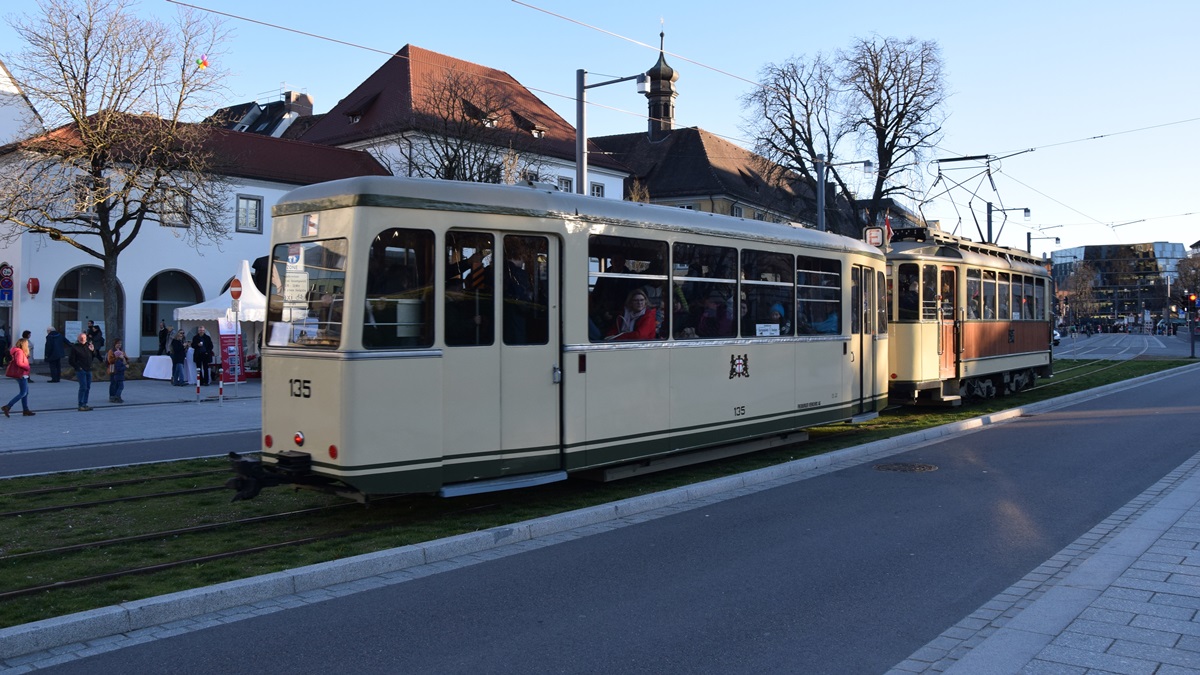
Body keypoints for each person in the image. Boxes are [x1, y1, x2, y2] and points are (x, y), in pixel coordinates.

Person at [3, 337, 35, 417]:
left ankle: (25, 410)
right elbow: (19, 363)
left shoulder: (18, 351)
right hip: (21, 374)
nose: (28, 345)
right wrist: (27, 367)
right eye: (27, 344)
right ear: (24, 344)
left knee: (25, 393)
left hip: (22, 374)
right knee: (23, 393)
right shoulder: (19, 352)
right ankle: (8, 406)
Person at [68, 332, 94, 411]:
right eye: (81, 338)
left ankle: (85, 404)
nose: (83, 339)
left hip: (88, 369)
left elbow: (93, 356)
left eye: (84, 338)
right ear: (78, 339)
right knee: (83, 387)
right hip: (81, 370)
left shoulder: (88, 346)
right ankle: (81, 404)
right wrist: (78, 368)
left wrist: (93, 351)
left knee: (88, 387)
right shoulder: (75, 347)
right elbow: (71, 360)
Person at [107, 339, 129, 403]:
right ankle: (112, 396)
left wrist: (125, 359)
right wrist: (117, 357)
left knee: (118, 384)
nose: (119, 345)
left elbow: (127, 358)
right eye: (118, 344)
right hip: (113, 369)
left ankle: (117, 396)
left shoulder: (122, 351)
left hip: (119, 370)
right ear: (115, 344)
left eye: (120, 344)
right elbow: (110, 360)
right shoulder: (111, 351)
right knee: (113, 383)